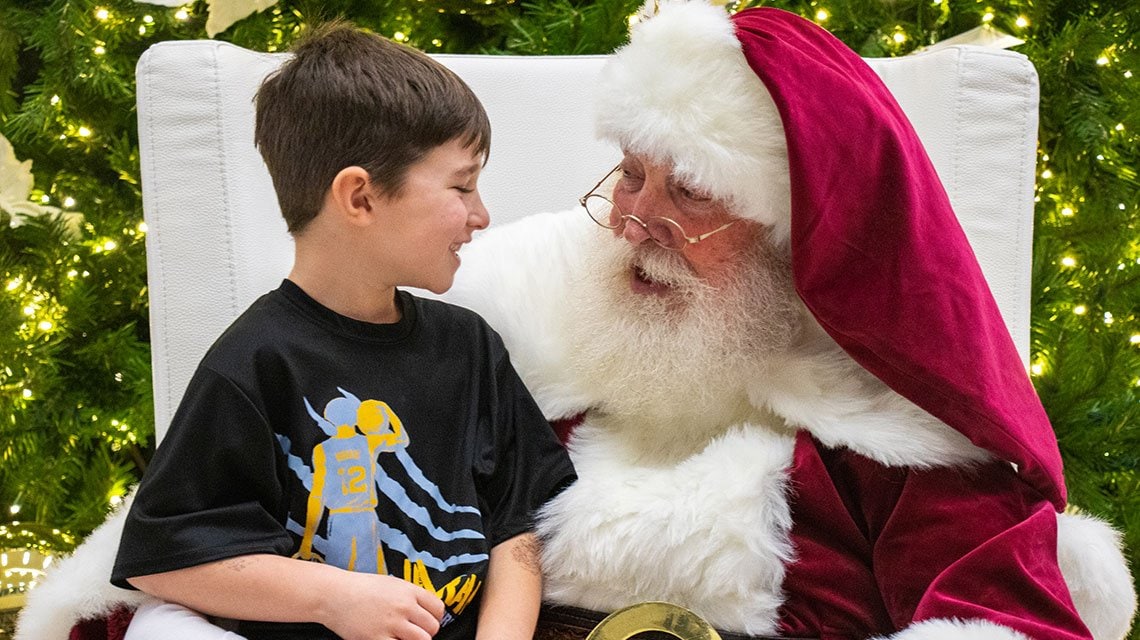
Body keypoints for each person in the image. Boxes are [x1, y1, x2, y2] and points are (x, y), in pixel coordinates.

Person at [434, 2, 1137, 639]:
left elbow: (1009, 624)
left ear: (794, 236)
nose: (636, 221)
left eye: (693, 190)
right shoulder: (521, 330)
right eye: (629, 173)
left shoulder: (888, 425)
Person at [99, 20, 574, 640]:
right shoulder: (254, 364)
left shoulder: (470, 347)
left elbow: (520, 526)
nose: (481, 215)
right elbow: (164, 561)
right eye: (462, 185)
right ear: (360, 198)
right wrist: (332, 597)